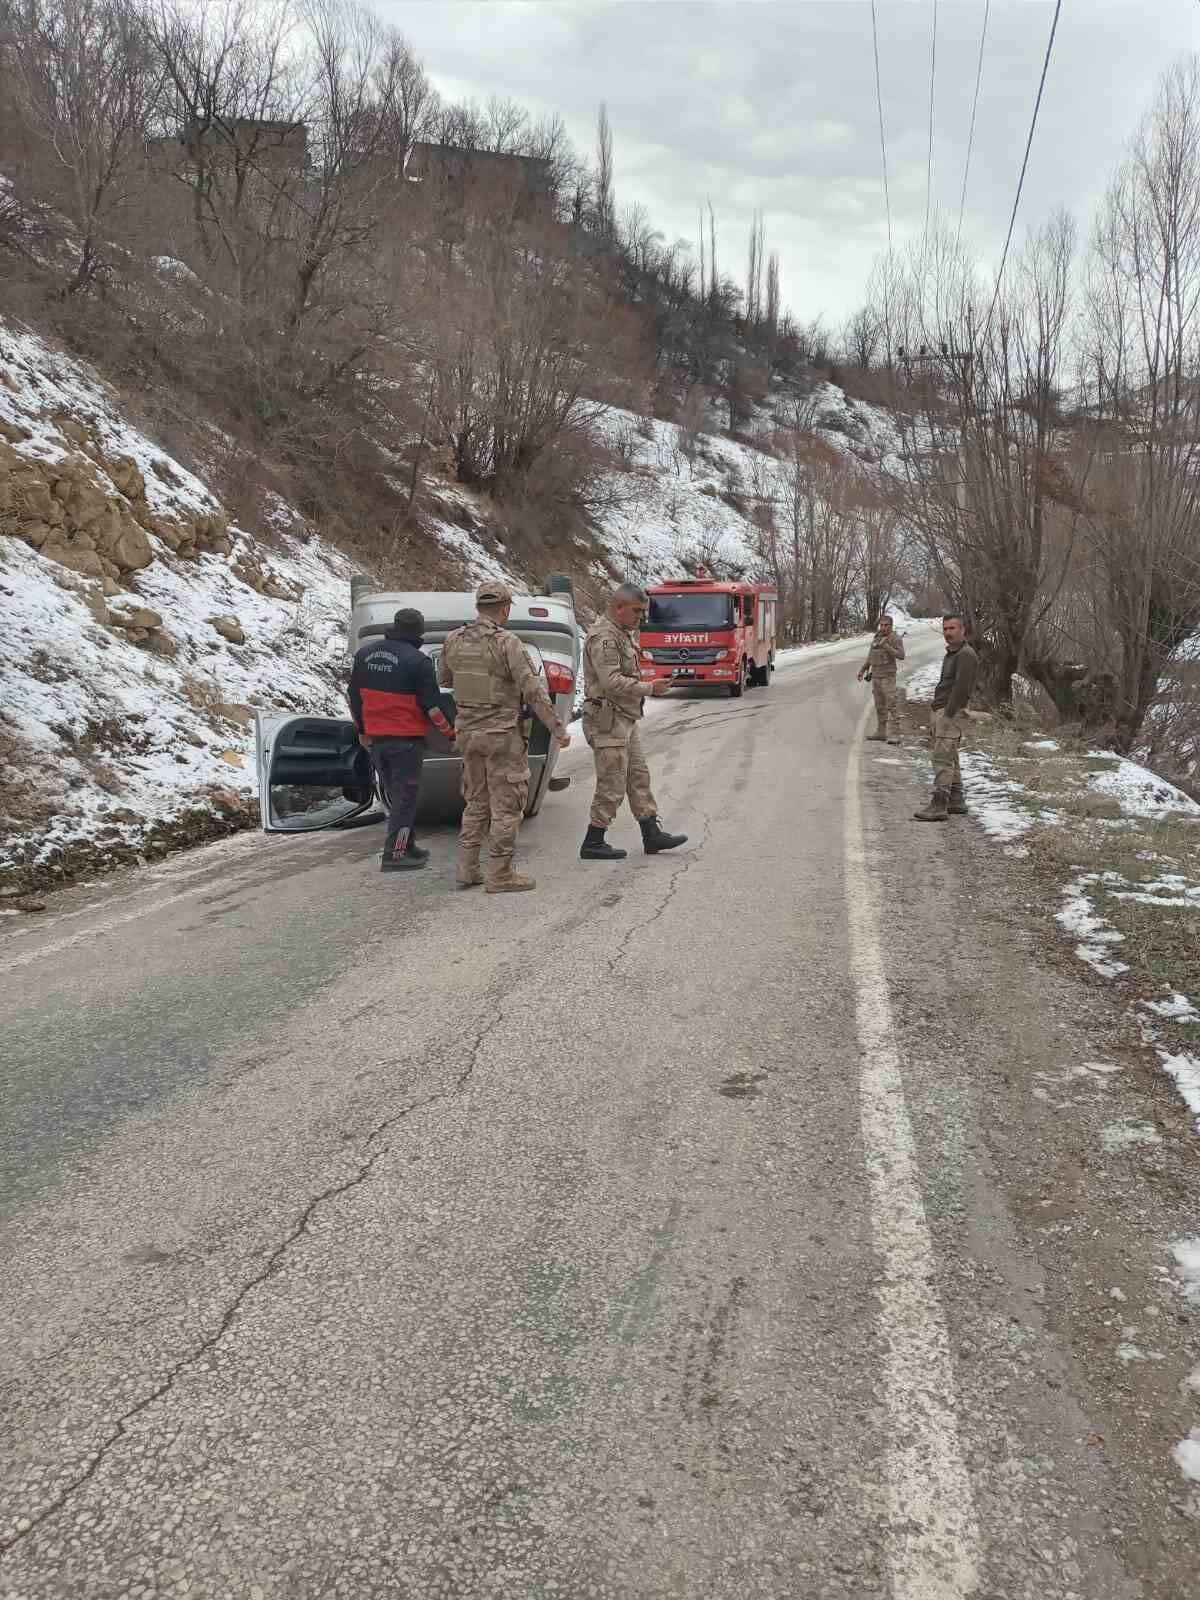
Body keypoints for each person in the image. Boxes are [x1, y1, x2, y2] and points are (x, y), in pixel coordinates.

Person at [438, 580, 570, 893]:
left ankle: (467, 870)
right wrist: (558, 729)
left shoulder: (453, 639)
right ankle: (500, 874)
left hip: (468, 735)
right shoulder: (507, 642)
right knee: (507, 806)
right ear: (506, 608)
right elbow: (533, 690)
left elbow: (444, 678)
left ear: (478, 606)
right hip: (501, 737)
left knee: (476, 802)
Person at [578, 583, 688, 861]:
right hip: (607, 720)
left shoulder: (621, 634)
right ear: (619, 607)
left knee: (638, 776)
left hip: (624, 718)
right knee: (612, 782)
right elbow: (611, 682)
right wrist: (650, 688)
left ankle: (651, 833)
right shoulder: (604, 637)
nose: (640, 617)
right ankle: (593, 840)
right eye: (637, 611)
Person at [348, 607, 455, 872]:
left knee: (397, 797)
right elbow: (432, 708)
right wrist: (451, 734)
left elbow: (355, 698)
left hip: (376, 741)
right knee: (406, 799)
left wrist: (361, 731)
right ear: (419, 632)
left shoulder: (364, 655)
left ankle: (407, 845)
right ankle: (395, 854)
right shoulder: (417, 661)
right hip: (405, 742)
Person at [914, 613, 978, 822]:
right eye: (945, 629)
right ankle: (956, 800)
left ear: (962, 630)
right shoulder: (953, 653)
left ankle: (939, 805)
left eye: (952, 628)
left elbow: (961, 688)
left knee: (941, 758)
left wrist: (948, 714)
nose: (948, 633)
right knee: (951, 756)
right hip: (944, 710)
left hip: (951, 712)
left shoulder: (965, 654)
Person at [857, 614, 905, 742]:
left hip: (888, 676)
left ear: (891, 625)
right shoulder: (877, 637)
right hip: (876, 675)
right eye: (881, 625)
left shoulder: (895, 638)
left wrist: (887, 647)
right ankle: (881, 732)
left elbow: (901, 655)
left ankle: (895, 734)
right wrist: (863, 669)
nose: (883, 627)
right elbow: (870, 656)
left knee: (891, 704)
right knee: (879, 706)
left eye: (886, 625)